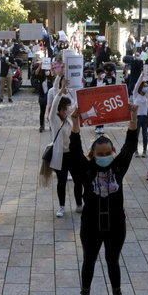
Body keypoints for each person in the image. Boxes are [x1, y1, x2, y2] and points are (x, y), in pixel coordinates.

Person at [70, 103, 138, 295]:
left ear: (113, 152)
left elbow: (130, 144)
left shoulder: (118, 167)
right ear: (92, 154)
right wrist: (74, 122)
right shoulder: (87, 169)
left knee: (113, 261)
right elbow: (74, 149)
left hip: (116, 225)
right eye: (100, 153)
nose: (104, 156)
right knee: (89, 260)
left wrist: (133, 115)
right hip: (91, 226)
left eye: (108, 152)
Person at [45, 76, 83, 217]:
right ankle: (61, 206)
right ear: (60, 110)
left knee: (78, 180)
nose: (67, 111)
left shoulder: (70, 120)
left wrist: (74, 90)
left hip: (72, 155)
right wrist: (60, 91)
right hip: (60, 155)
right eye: (65, 109)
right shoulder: (54, 120)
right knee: (61, 182)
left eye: (68, 109)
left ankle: (79, 203)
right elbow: (54, 104)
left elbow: (77, 105)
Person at [132, 81, 148, 158]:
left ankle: (144, 151)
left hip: (145, 118)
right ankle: (135, 151)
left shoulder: (147, 96)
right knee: (136, 135)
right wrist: (142, 75)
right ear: (141, 87)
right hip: (137, 117)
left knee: (145, 135)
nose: (146, 88)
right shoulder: (136, 95)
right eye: (144, 86)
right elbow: (137, 85)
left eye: (146, 86)